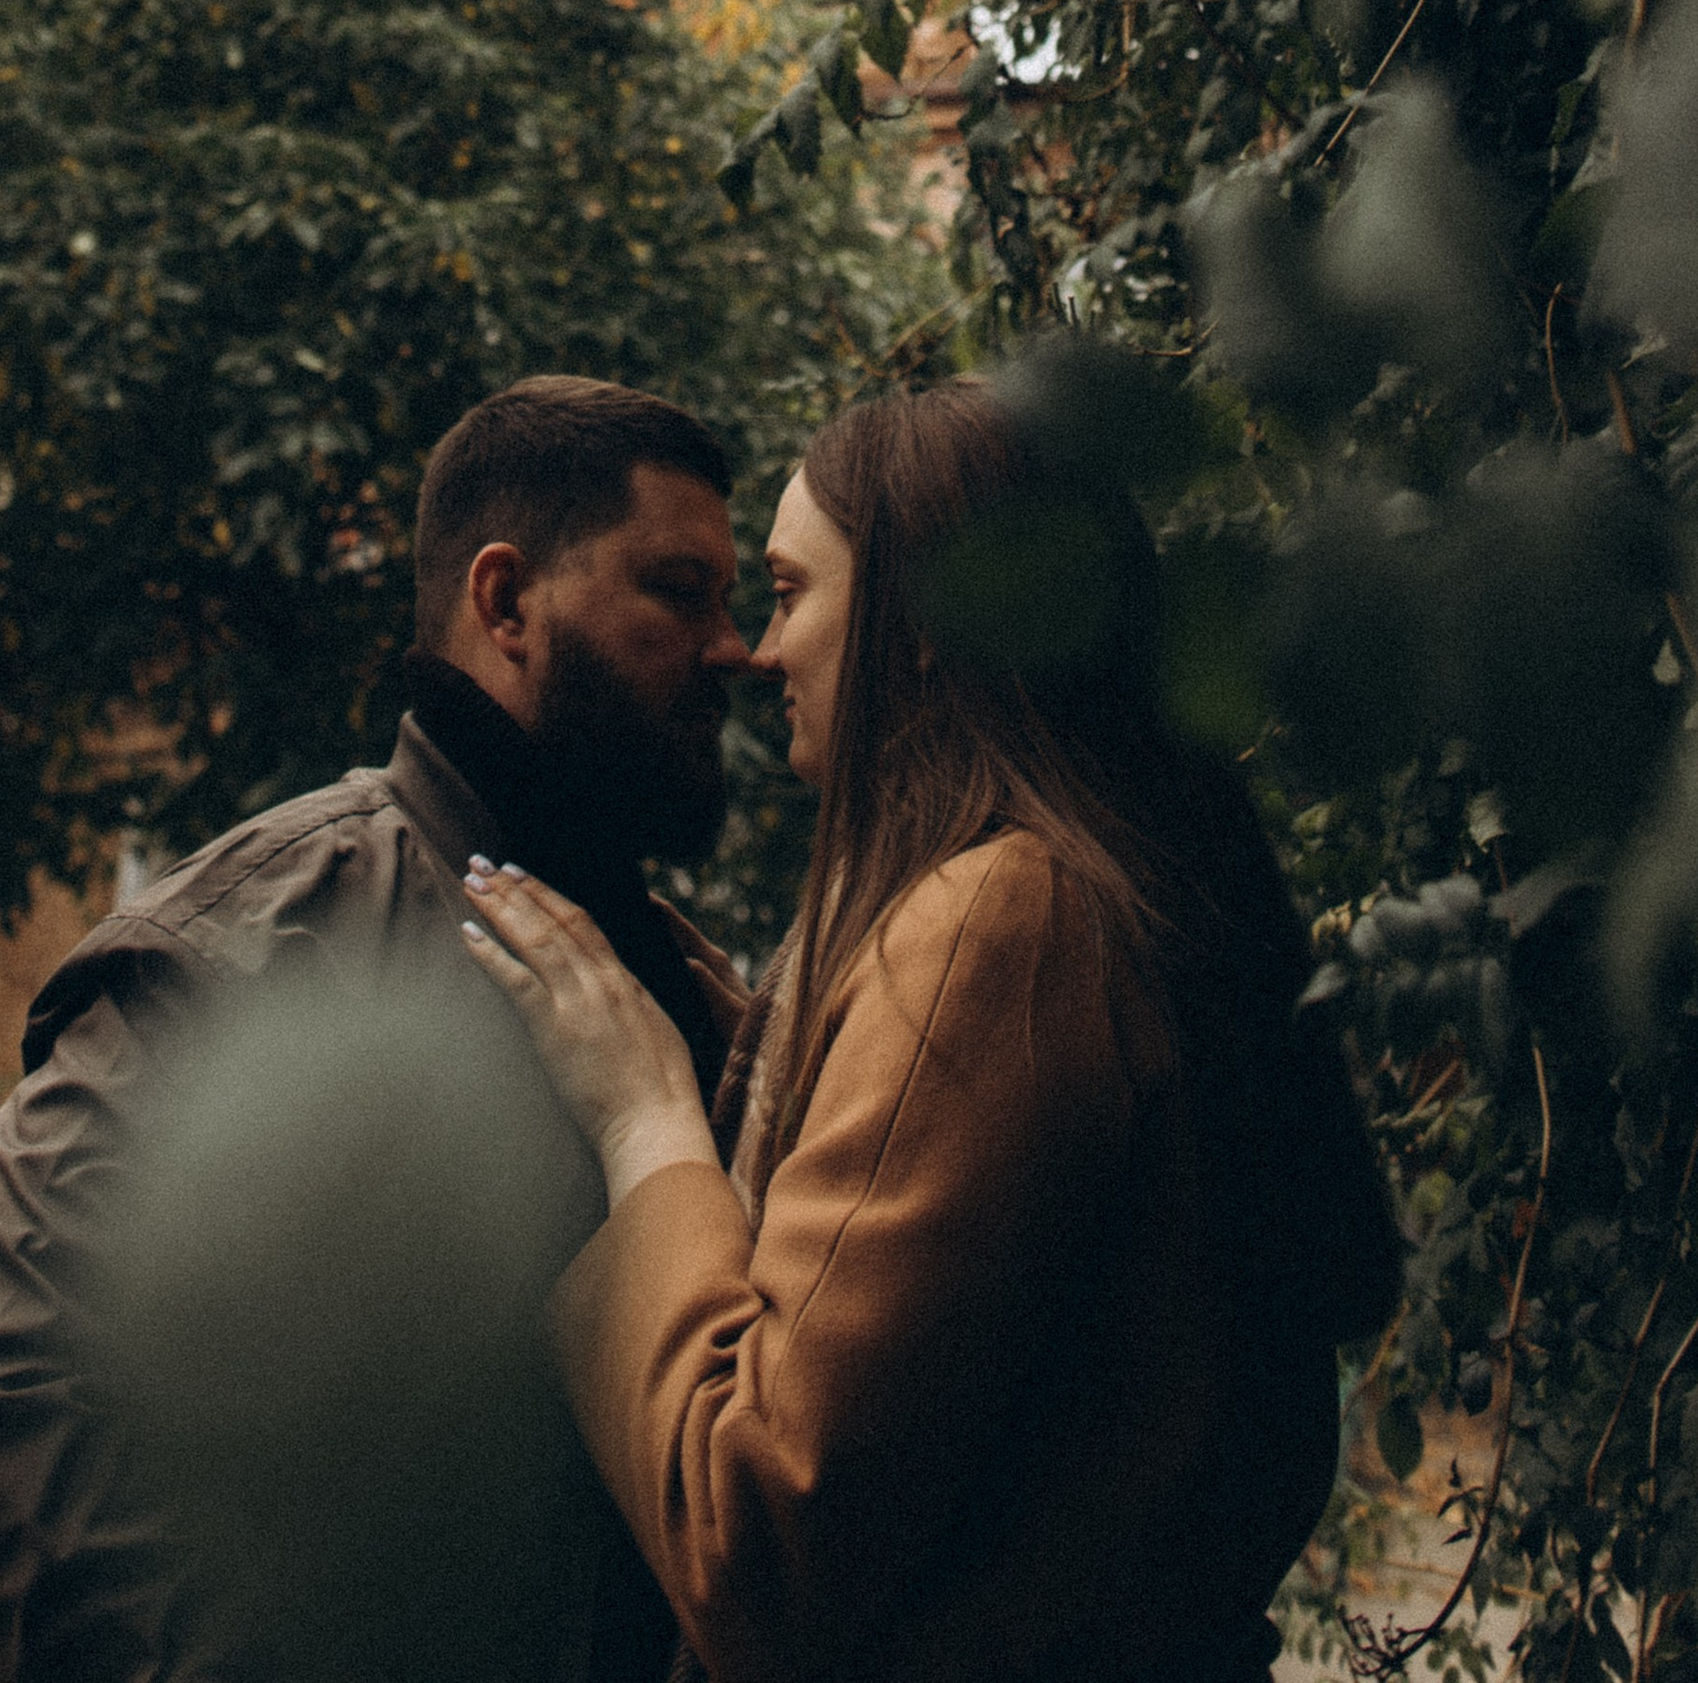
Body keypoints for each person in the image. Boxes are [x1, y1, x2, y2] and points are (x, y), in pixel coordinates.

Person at [461, 376, 1400, 1683]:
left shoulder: (1003, 918)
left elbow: (756, 1541)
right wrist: (790, 1055)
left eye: (787, 592)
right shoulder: (1123, 888)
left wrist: (648, 1117)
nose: (757, 652)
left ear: (925, 619)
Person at [0, 376, 756, 1683]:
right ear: (506, 602)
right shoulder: (257, 933)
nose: (734, 649)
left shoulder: (687, 988)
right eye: (680, 592)